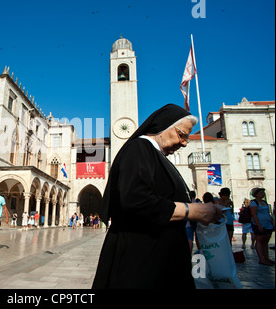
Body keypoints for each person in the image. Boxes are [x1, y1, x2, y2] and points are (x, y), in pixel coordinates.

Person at [92, 104, 223, 289]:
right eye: (182, 135)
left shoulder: (155, 155)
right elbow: (135, 200)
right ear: (164, 126)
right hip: (142, 261)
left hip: (158, 260)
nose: (185, 142)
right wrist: (191, 211)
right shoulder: (139, 148)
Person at [249, 188, 274, 265]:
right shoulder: (254, 203)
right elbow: (254, 214)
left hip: (267, 224)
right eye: (260, 193)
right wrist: (259, 225)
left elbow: (268, 212)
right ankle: (261, 259)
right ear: (256, 194)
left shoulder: (264, 202)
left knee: (266, 241)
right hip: (259, 224)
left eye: (263, 193)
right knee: (259, 240)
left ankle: (267, 258)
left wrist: (272, 221)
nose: (262, 194)